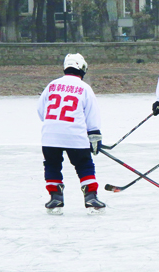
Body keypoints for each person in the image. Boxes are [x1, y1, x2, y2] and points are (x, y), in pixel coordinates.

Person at [37, 53, 105, 215]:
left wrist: (55, 126)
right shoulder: (84, 88)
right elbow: (92, 114)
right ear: (82, 68)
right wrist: (94, 135)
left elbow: (41, 111)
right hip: (75, 137)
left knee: (52, 164)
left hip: (50, 136)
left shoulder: (52, 85)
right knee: (84, 165)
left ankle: (55, 197)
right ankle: (90, 196)